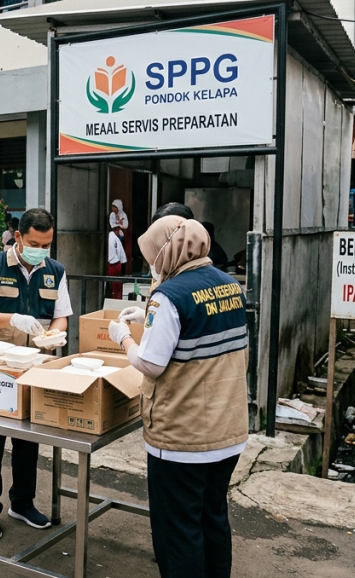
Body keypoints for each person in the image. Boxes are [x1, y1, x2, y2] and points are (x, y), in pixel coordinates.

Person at [109, 215, 248, 578]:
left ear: (166, 252)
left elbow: (150, 364)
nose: (151, 265)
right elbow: (198, 333)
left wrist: (123, 337)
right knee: (213, 518)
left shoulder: (169, 296)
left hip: (183, 438)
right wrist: (148, 314)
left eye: (152, 256)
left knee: (179, 531)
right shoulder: (230, 285)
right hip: (228, 430)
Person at [0, 208, 70, 539]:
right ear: (18, 237)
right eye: (35, 243)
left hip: (36, 366)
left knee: (29, 438)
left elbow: (61, 315)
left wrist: (55, 334)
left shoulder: (55, 271)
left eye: (47, 244)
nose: (41, 250)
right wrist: (13, 319)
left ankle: (22, 502)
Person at [107, 223, 128, 299]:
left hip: (112, 263)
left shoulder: (111, 237)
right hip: (115, 263)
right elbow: (119, 251)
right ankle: (117, 298)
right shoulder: (114, 238)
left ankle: (115, 297)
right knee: (116, 284)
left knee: (114, 284)